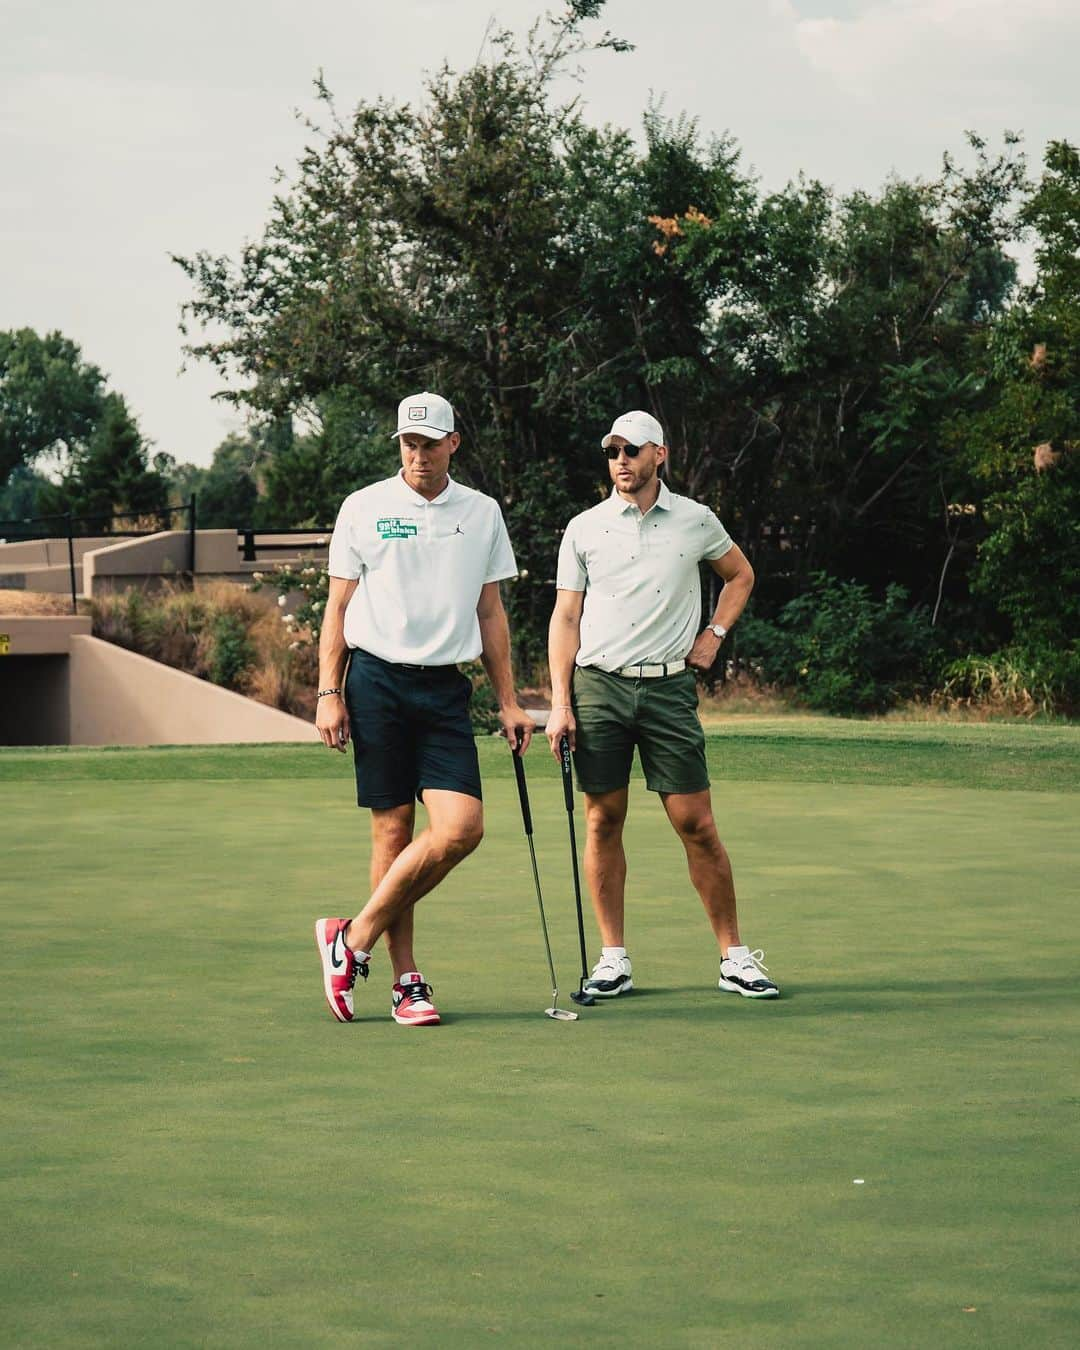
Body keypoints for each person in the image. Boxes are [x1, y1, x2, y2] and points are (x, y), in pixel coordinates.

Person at [314, 391, 534, 1026]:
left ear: (453, 444)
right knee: (394, 832)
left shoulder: (483, 513)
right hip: (376, 680)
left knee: (462, 828)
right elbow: (337, 608)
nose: (417, 454)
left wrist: (510, 702)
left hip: (444, 689)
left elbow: (490, 611)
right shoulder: (364, 507)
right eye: (408, 443)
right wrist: (330, 692)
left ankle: (349, 940)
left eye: (429, 442)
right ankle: (406, 980)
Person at [546, 409, 779, 1000]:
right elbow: (566, 616)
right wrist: (559, 702)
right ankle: (613, 960)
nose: (619, 461)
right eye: (611, 452)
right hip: (598, 685)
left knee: (696, 824)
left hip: (670, 687)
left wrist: (715, 635)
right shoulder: (586, 527)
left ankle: (734, 957)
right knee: (603, 819)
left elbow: (741, 576)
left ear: (659, 455)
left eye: (630, 450)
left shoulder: (696, 520)